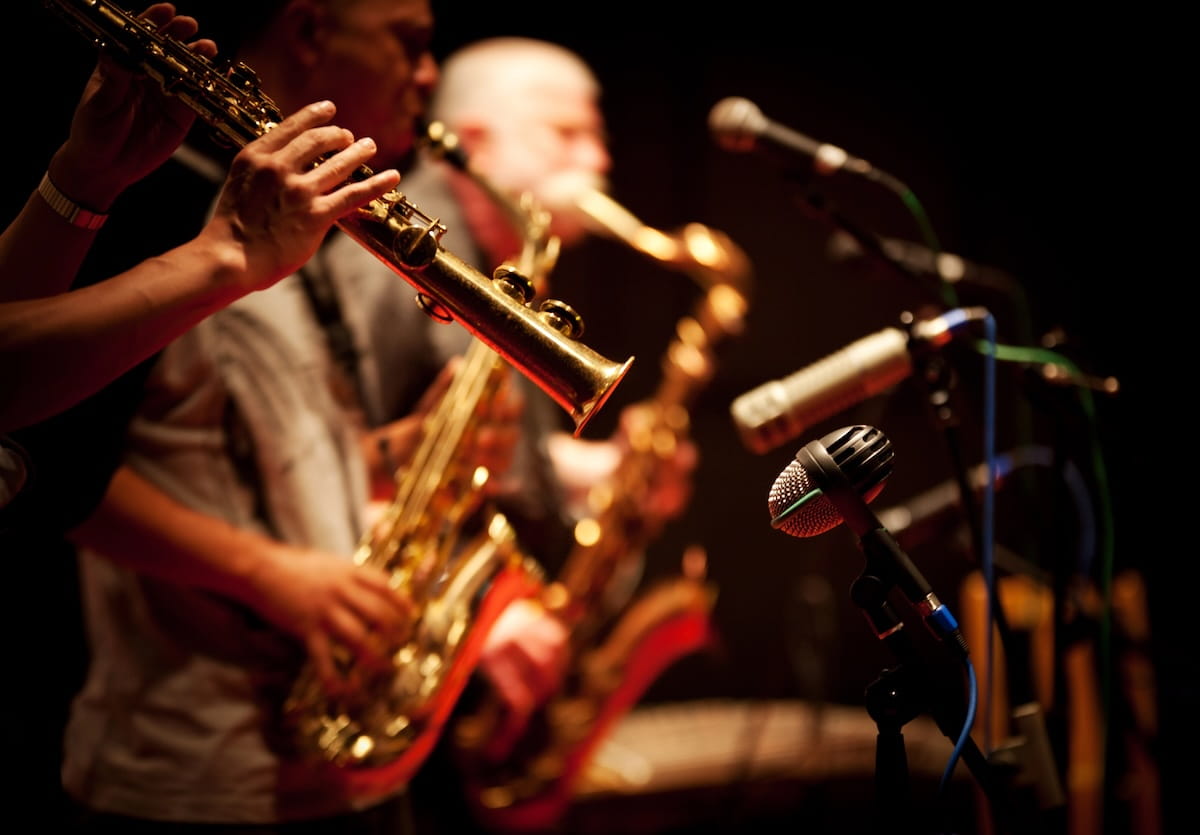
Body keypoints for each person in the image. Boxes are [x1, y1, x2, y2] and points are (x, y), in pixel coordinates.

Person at [27, 1, 565, 832]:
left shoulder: (306, 215)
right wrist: (268, 573)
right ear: (312, 33)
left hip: (336, 764)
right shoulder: (168, 201)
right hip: (197, 770)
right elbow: (52, 467)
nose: (428, 76)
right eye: (409, 44)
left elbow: (232, 437)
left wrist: (397, 455)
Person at [328, 36, 712, 833]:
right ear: (475, 143)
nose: (600, 157)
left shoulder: (506, 258)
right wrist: (484, 616)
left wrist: (606, 471)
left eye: (597, 133)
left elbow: (487, 453)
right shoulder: (404, 266)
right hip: (401, 677)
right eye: (567, 133)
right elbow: (333, 477)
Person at [0, 2, 399, 502]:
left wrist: (82, 184)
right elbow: (71, 463)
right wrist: (225, 255)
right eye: (408, 41)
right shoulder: (183, 199)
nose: (429, 75)